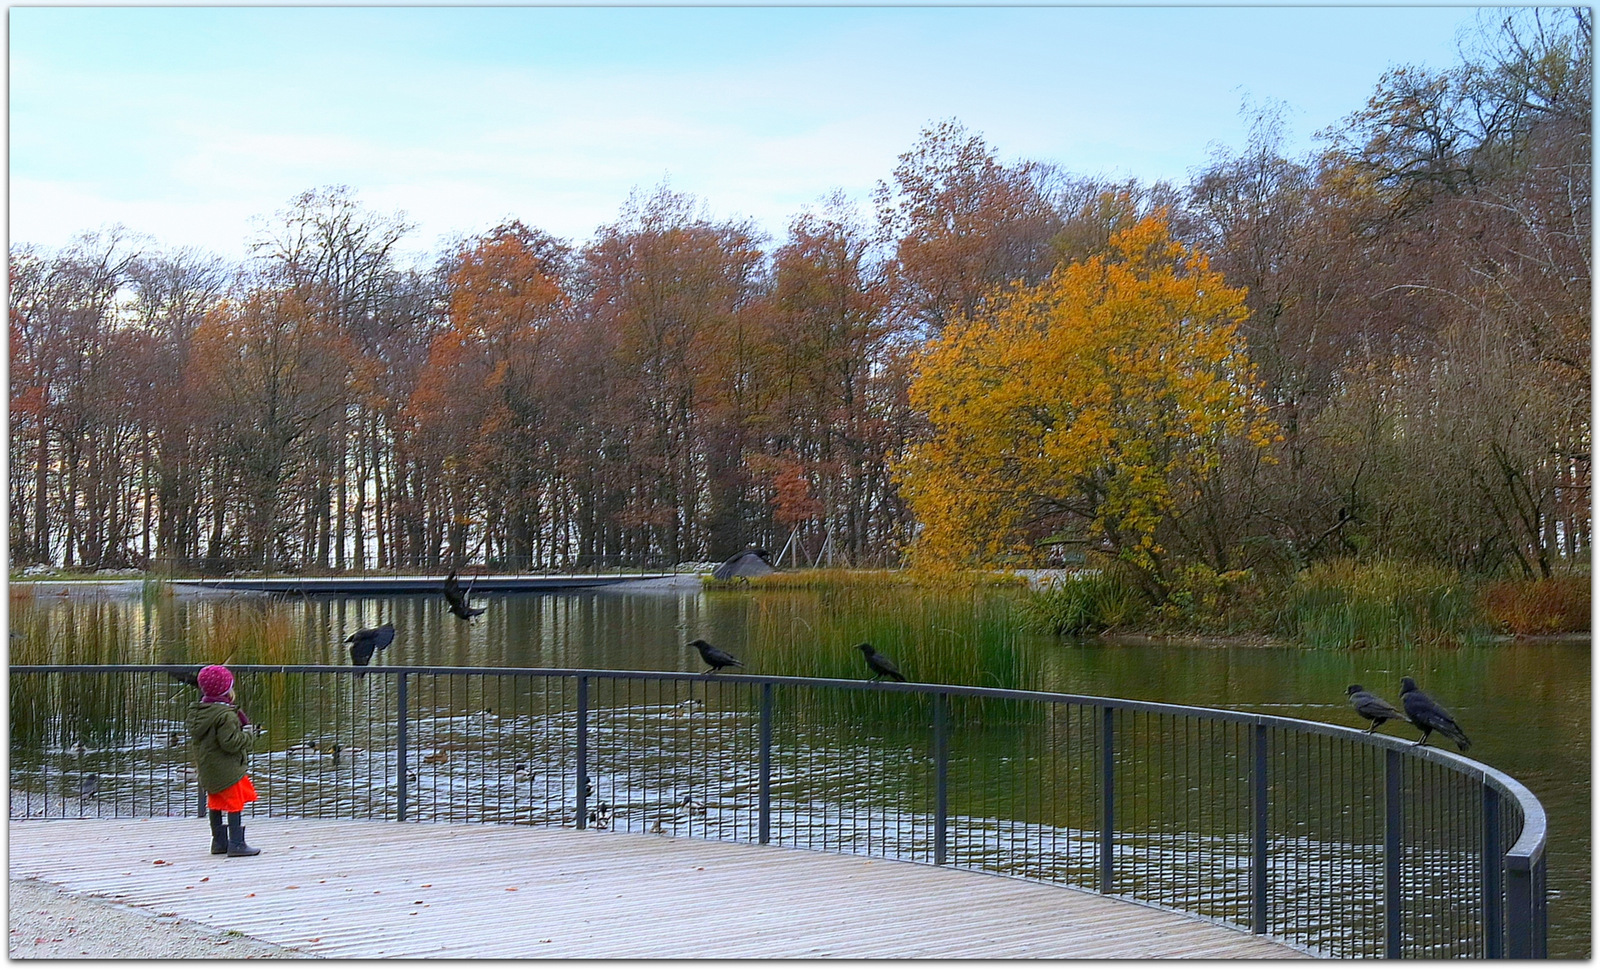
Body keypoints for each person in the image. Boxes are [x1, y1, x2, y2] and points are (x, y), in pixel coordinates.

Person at [187, 665, 261, 857]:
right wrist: (249, 736)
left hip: (209, 769)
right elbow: (230, 743)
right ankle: (237, 843)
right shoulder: (226, 715)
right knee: (234, 803)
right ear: (226, 689)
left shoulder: (199, 712)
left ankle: (219, 842)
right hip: (227, 769)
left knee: (216, 802)